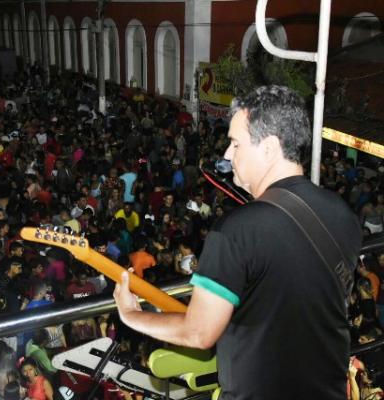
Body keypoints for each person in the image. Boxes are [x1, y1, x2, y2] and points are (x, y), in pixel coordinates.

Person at [113, 86, 363, 399]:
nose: (228, 155)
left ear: (269, 148)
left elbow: (200, 332)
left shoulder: (236, 230)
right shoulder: (343, 214)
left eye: (235, 143)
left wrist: (131, 315)